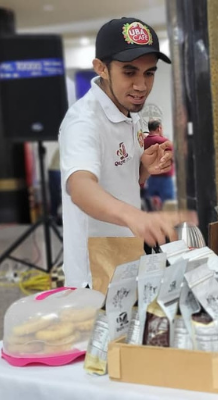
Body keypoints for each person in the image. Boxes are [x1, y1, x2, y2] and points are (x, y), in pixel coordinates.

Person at [60, 18, 184, 288]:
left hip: (126, 251)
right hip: (94, 268)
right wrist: (134, 216)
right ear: (101, 68)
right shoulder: (84, 121)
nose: (141, 85)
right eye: (129, 73)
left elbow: (120, 178)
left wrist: (142, 169)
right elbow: (80, 187)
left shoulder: (130, 113)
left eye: (149, 73)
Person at [143, 119, 175, 209]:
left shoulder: (144, 142)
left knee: (151, 207)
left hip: (151, 178)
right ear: (159, 128)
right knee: (169, 206)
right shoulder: (165, 141)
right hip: (165, 180)